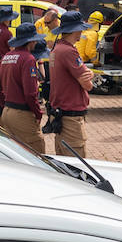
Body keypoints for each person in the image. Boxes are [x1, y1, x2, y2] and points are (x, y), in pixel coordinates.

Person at [47, 11, 94, 156]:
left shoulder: (57, 49)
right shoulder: (69, 51)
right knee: (77, 163)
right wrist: (90, 76)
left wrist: (88, 74)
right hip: (71, 118)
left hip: (61, 113)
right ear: (75, 29)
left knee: (64, 160)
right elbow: (87, 85)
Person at [0, 22, 47, 154]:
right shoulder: (28, 59)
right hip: (22, 113)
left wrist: (6, 104)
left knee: (16, 153)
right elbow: (30, 93)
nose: (35, 43)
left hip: (7, 112)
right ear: (30, 41)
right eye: (34, 40)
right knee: (37, 152)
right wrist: (37, 113)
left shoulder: (6, 57)